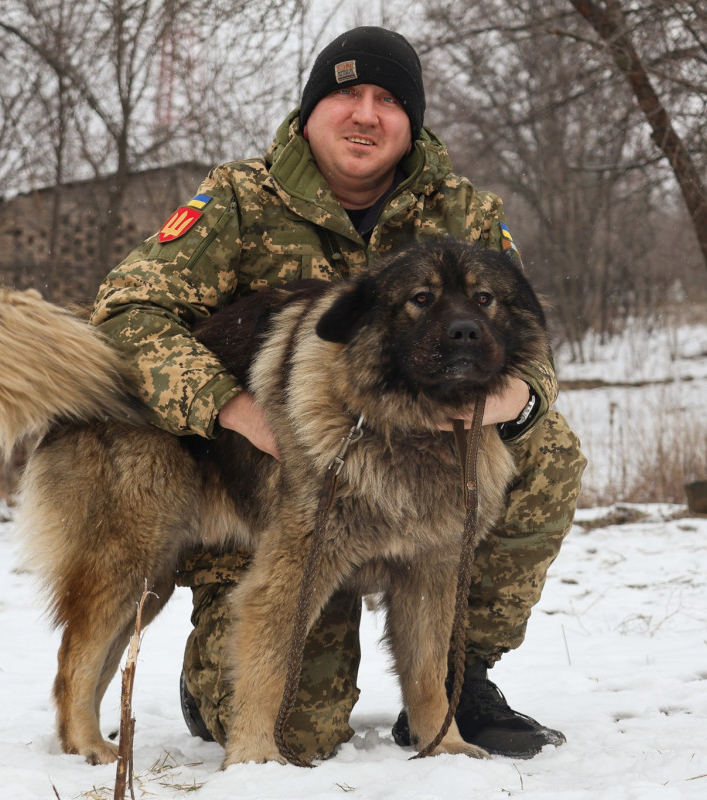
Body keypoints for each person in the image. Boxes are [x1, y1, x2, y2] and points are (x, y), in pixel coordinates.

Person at [90, 26, 586, 761]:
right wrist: (230, 407)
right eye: (346, 93)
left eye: (387, 99)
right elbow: (127, 313)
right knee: (295, 731)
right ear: (313, 108)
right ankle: (213, 682)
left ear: (410, 121)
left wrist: (516, 401)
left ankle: (456, 679)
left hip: (429, 460)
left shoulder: (465, 213)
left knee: (549, 448)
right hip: (258, 489)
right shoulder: (238, 198)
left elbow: (526, 337)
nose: (365, 113)